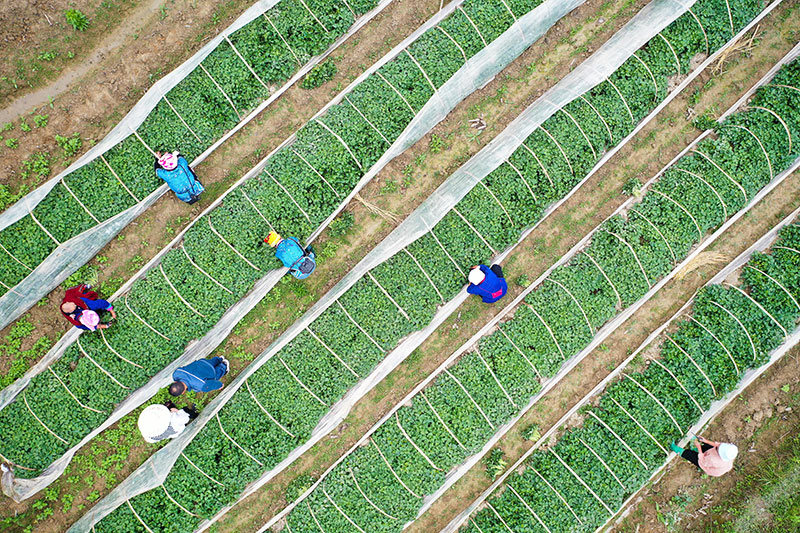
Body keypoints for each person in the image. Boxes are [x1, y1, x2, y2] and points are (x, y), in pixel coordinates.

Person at [670, 435, 738, 477]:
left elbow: (702, 460)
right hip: (715, 458)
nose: (720, 446)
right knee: (707, 446)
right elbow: (718, 445)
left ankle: (674, 448)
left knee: (690, 455)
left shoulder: (713, 460)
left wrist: (699, 447)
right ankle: (694, 446)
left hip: (706, 463)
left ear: (720, 453)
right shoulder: (728, 450)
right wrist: (706, 441)